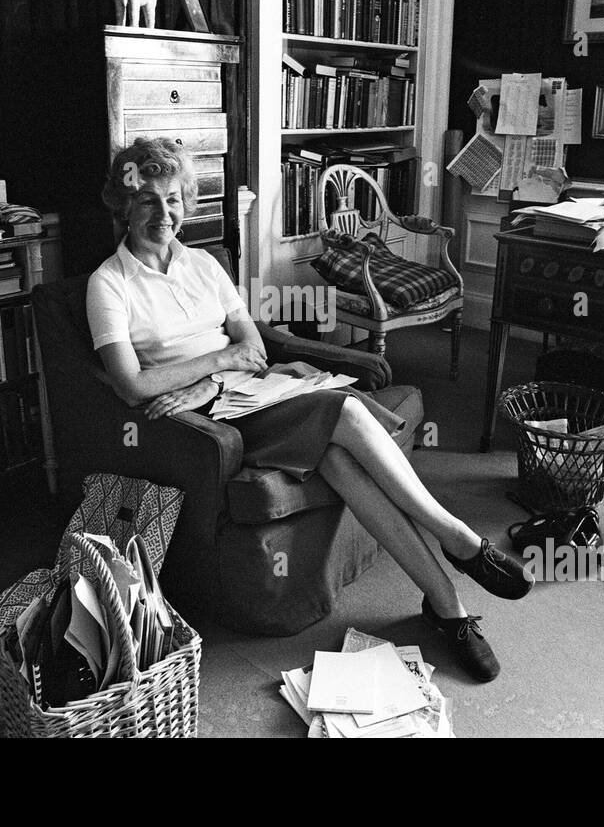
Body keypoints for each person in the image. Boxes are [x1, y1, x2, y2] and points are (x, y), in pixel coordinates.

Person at [86, 138, 532, 681]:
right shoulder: (108, 283)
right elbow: (131, 384)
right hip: (205, 422)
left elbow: (254, 346)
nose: (164, 214)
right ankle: (458, 537)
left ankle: (447, 605)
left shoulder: (203, 263)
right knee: (343, 412)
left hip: (250, 392)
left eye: (174, 200)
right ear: (124, 206)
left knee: (341, 464)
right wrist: (217, 367)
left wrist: (218, 368)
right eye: (149, 201)